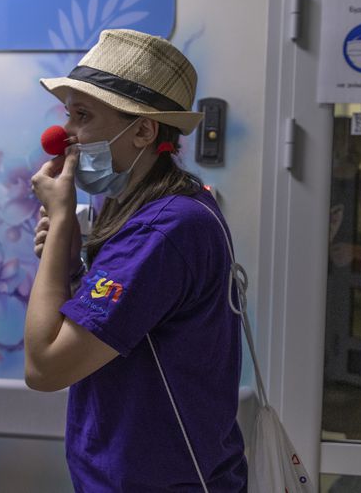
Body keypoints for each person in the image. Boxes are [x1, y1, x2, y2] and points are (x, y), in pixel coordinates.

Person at [24, 29, 247, 491]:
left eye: (82, 117)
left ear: (144, 130)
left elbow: (45, 367)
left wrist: (62, 218)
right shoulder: (160, 210)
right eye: (68, 115)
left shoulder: (163, 231)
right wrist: (66, 263)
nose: (62, 138)